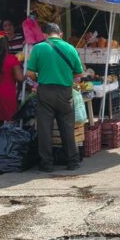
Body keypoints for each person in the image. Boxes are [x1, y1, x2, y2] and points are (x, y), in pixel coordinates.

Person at [25, 23, 84, 172]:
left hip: (45, 91)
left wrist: (40, 77)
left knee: (45, 129)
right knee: (67, 128)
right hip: (65, 92)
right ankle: (72, 162)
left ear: (45, 35)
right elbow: (79, 74)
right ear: (61, 34)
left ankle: (47, 164)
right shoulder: (71, 48)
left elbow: (30, 73)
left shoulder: (38, 48)